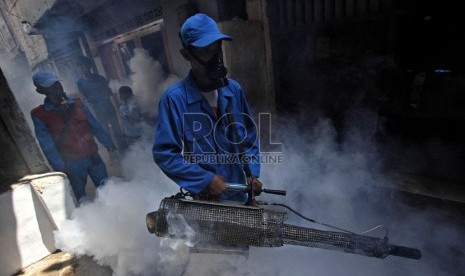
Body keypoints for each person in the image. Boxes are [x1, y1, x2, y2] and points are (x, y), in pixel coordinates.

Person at [152, 13, 262, 202]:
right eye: (204, 51)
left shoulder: (233, 90)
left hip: (240, 194)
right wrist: (205, 179)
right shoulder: (175, 99)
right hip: (207, 201)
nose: (215, 58)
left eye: (217, 48)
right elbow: (165, 154)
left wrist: (252, 173)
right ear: (186, 55)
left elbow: (249, 136)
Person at [31, 70, 117, 203]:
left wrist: (109, 145)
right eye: (50, 87)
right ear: (41, 91)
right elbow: (47, 145)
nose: (57, 89)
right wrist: (60, 167)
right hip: (72, 164)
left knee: (108, 190)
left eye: (57, 84)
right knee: (81, 198)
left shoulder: (77, 103)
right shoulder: (40, 115)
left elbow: (95, 125)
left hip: (93, 157)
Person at [76, 56, 127, 151]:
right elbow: (83, 96)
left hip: (108, 107)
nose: (83, 70)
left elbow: (109, 92)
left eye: (84, 67)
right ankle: (112, 150)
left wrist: (106, 93)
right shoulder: (80, 83)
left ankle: (123, 148)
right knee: (104, 131)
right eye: (80, 67)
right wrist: (87, 100)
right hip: (97, 110)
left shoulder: (100, 78)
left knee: (116, 128)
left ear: (89, 67)